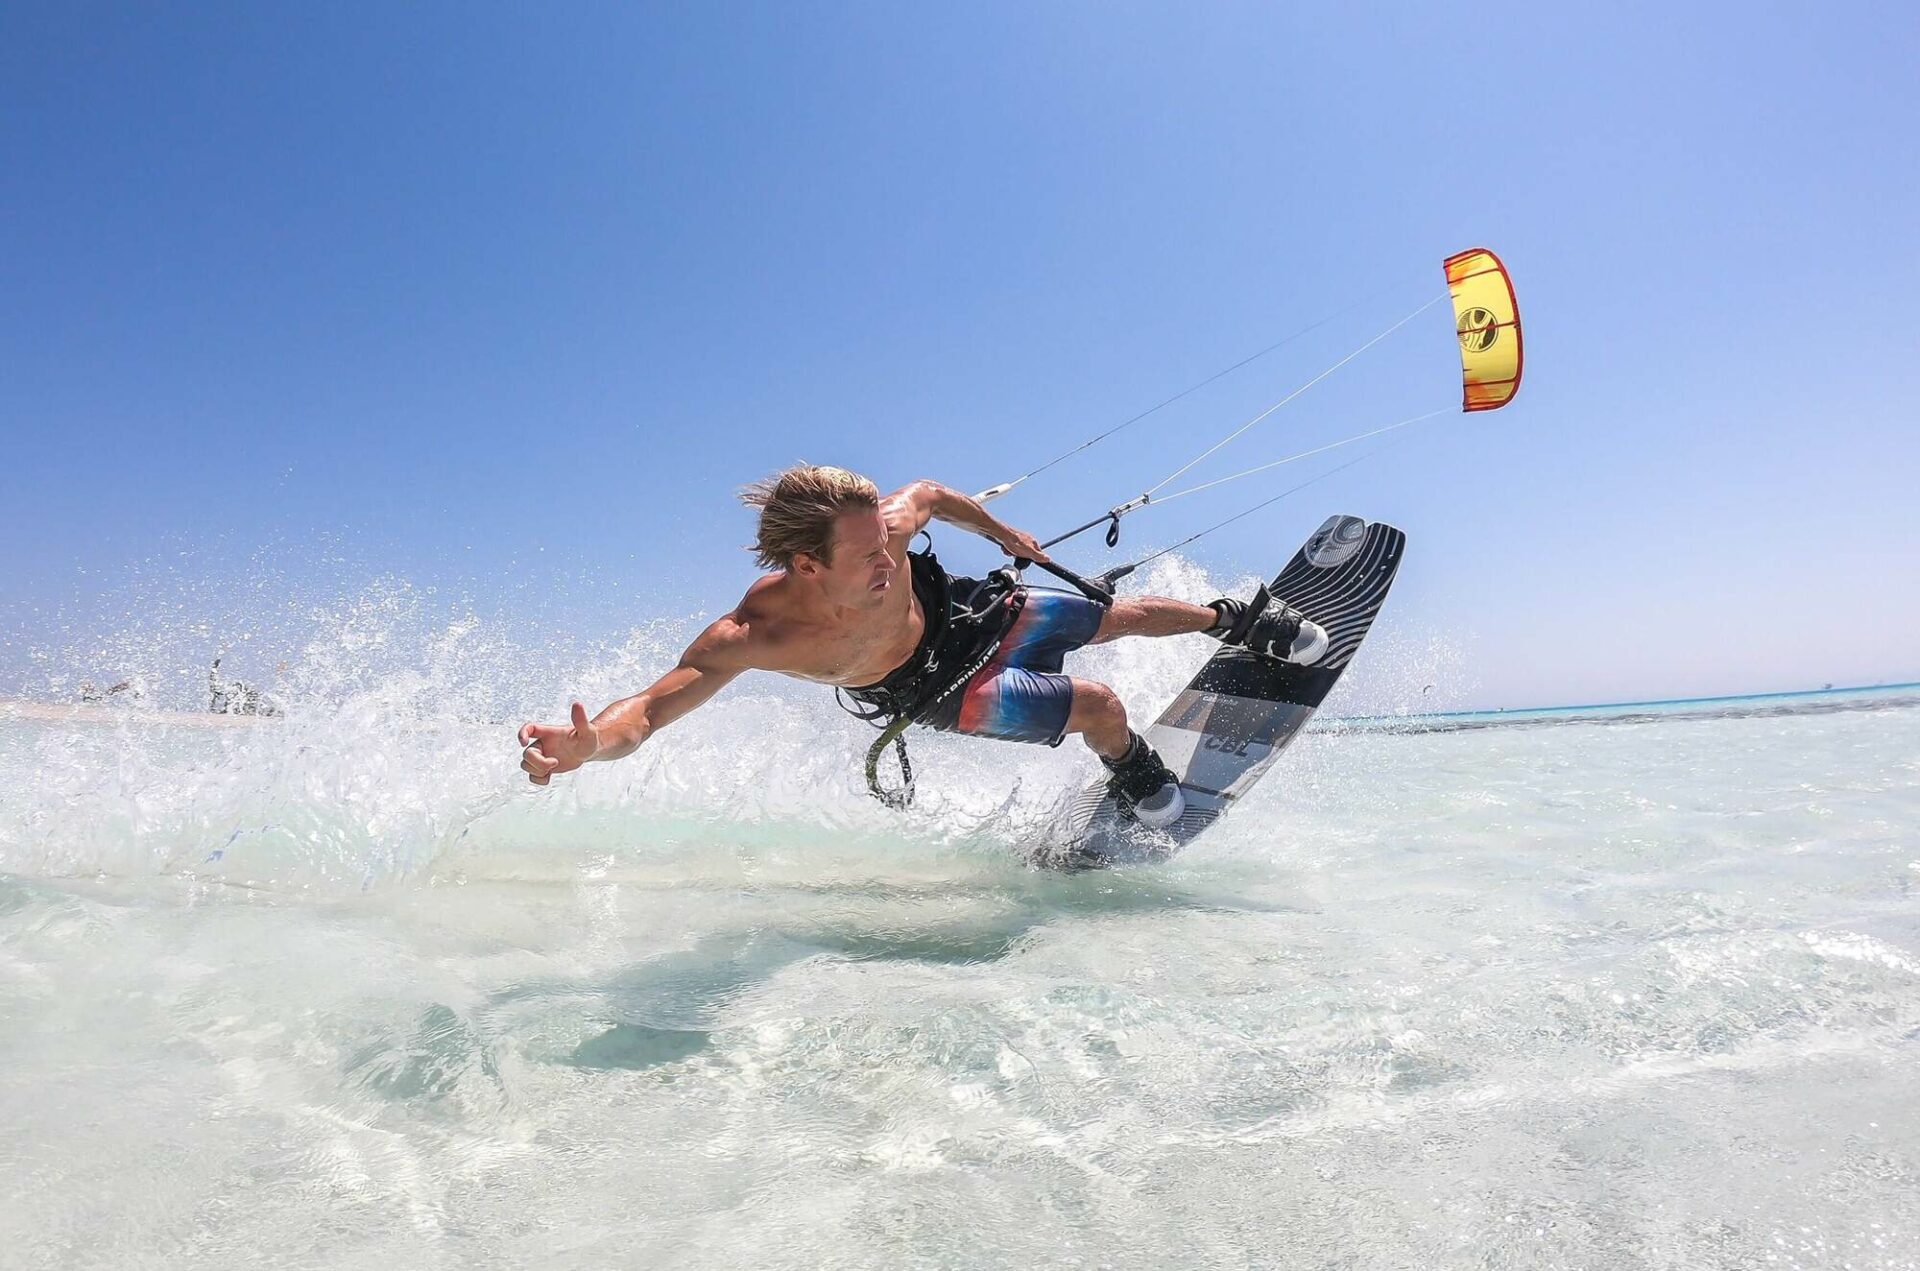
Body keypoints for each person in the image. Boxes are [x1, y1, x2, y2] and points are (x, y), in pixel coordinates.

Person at [517, 465, 1325, 827]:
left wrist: (1001, 530)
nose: (888, 557)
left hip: (962, 619)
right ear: (806, 565)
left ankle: (1233, 619)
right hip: (933, 689)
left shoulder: (886, 532)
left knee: (1114, 614)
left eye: (887, 542)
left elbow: (930, 495)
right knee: (1099, 705)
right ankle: (1137, 778)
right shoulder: (754, 635)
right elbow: (653, 708)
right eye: (868, 556)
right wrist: (594, 746)